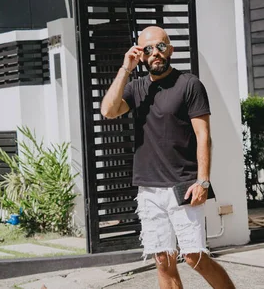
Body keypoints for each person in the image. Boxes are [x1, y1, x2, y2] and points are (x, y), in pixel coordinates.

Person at [100, 26, 235, 289]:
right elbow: (108, 110)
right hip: (149, 190)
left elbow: (203, 136)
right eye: (148, 49)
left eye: (161, 46)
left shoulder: (189, 84)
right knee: (162, 260)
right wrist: (125, 68)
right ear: (141, 54)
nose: (155, 53)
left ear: (170, 49)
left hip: (183, 186)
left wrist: (203, 182)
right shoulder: (137, 88)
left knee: (195, 257)